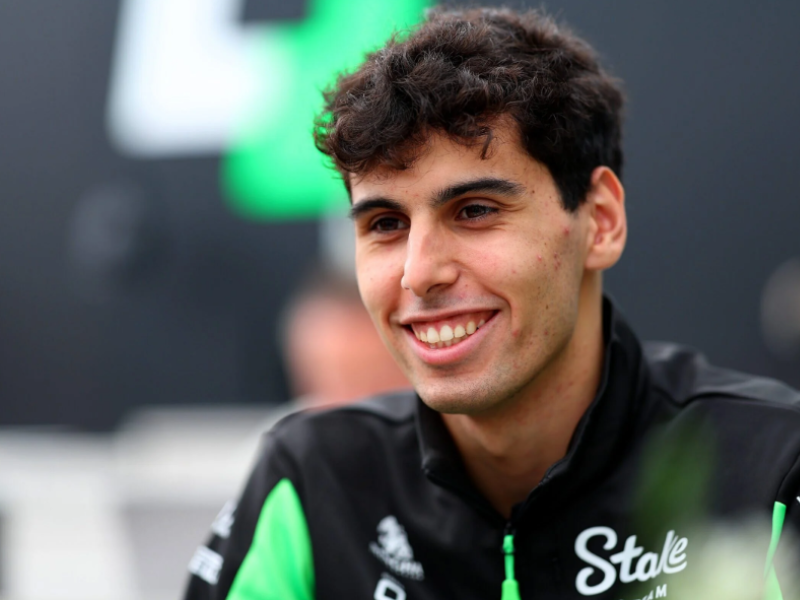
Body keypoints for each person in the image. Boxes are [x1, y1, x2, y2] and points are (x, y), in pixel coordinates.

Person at [183, 7, 800, 600]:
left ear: (601, 221)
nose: (419, 273)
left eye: (475, 211)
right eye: (385, 224)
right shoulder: (312, 481)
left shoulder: (773, 469)